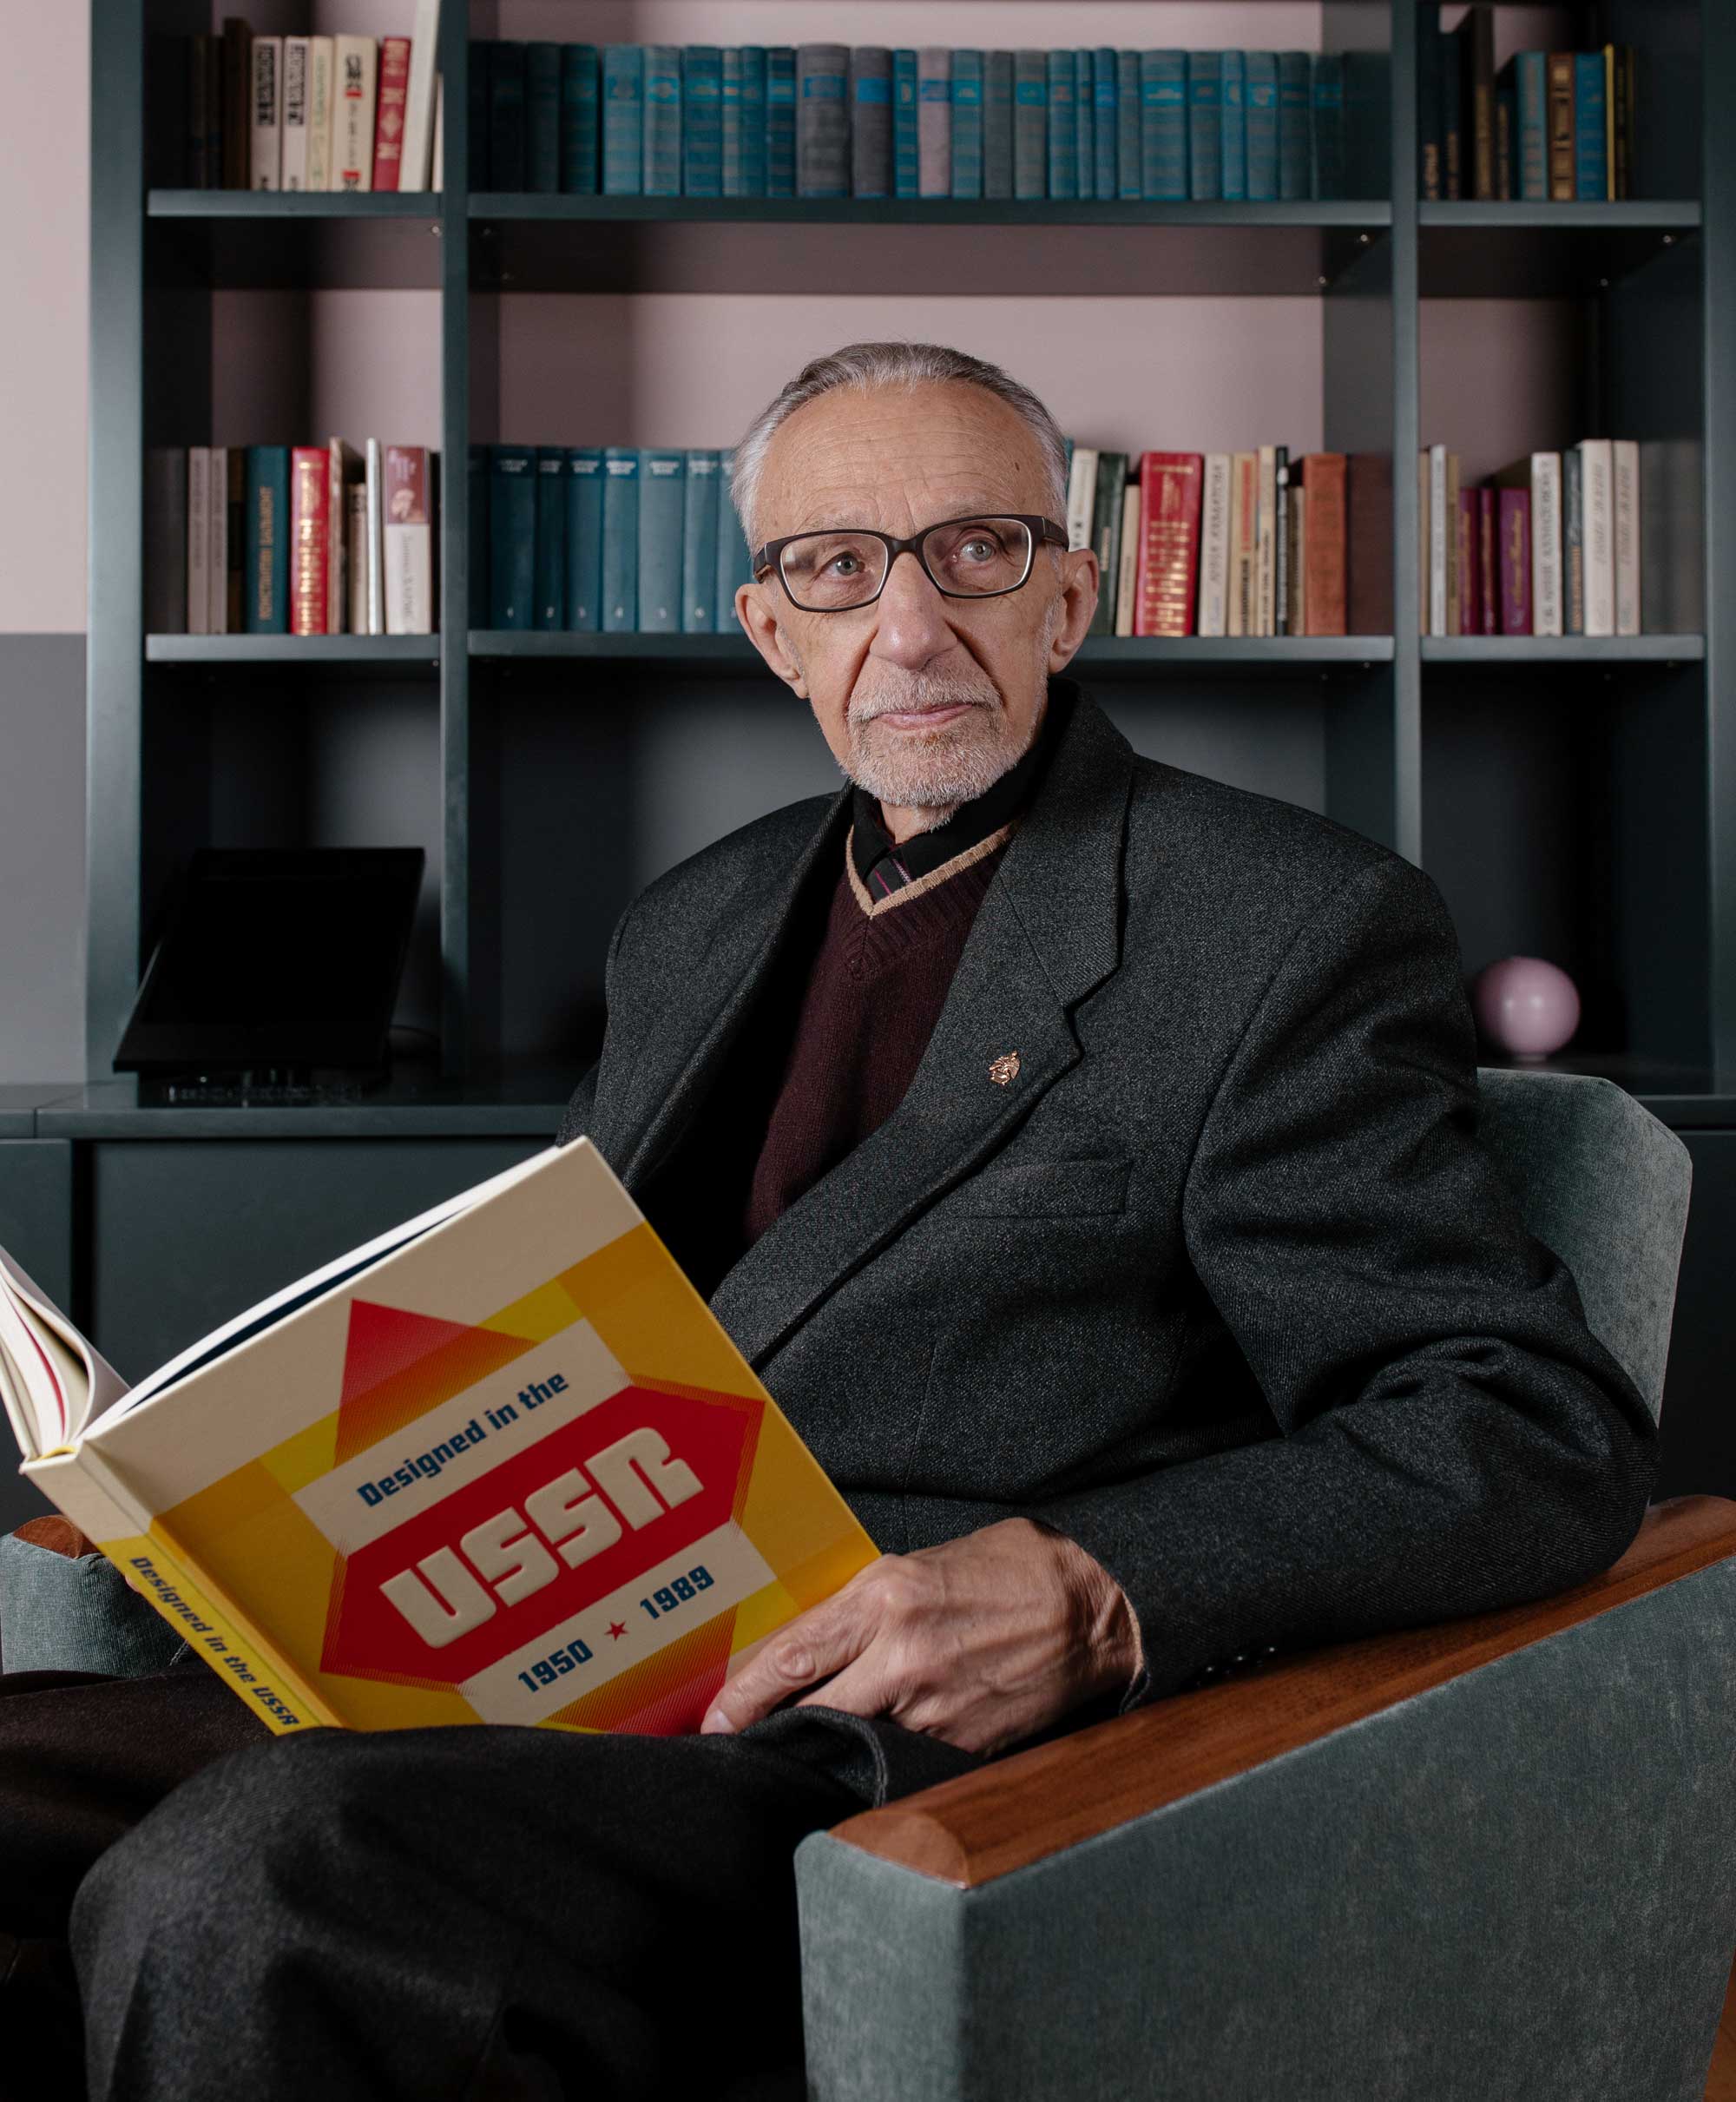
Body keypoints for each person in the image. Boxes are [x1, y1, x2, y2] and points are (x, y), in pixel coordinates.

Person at [0, 343, 1655, 2101]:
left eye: (976, 552)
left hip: (866, 1734)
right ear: (771, 631)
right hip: (548, 1642)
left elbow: (1520, 1417)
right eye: (838, 566)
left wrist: (1101, 1591)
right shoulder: (695, 921)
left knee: (264, 1870)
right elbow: (536, 1324)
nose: (913, 625)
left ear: (1071, 596)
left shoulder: (1282, 925)